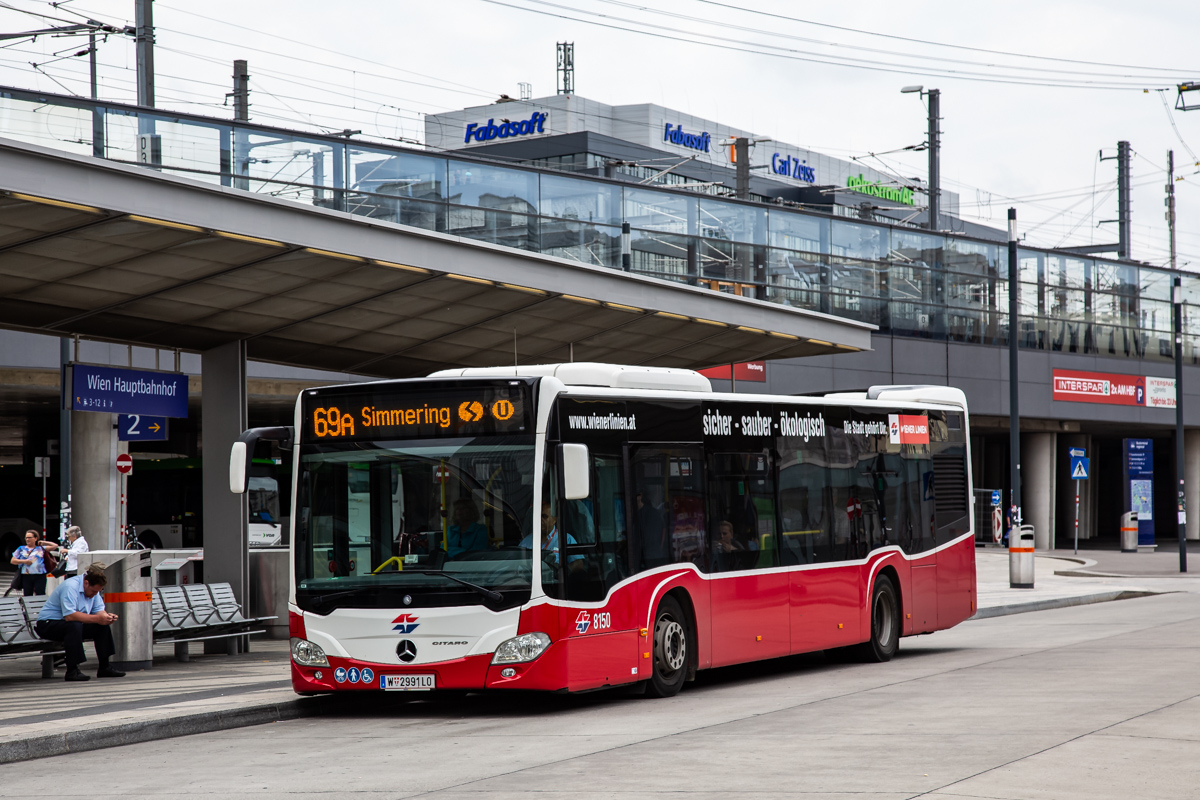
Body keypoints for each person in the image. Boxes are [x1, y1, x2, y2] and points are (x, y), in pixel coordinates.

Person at [35, 563, 125, 681]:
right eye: (93, 591)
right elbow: (70, 616)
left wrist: (106, 617)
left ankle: (105, 667)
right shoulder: (71, 587)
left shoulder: (94, 590)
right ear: (86, 583)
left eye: (97, 592)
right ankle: (72, 670)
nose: (94, 595)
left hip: (69, 625)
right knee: (74, 625)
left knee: (101, 626)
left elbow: (98, 610)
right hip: (47, 625)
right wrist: (98, 619)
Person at [519, 502, 583, 568]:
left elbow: (578, 568)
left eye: (544, 516)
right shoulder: (526, 542)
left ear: (554, 519)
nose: (540, 520)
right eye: (538, 516)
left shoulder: (566, 539)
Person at [10, 529, 55, 596]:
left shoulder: (40, 548)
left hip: (40, 575)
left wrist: (43, 542)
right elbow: (13, 561)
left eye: (29, 538)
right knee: (27, 594)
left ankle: (38, 606)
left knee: (40, 593)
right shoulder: (21, 548)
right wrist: (24, 561)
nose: (27, 539)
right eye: (26, 538)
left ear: (35, 538)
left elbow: (55, 546)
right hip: (26, 575)